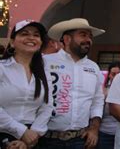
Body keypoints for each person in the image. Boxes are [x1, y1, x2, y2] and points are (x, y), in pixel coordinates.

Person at [40, 18, 105, 149]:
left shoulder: (94, 68)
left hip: (80, 140)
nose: (88, 40)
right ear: (67, 39)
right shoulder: (45, 62)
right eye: (83, 35)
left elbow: (97, 101)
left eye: (90, 36)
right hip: (46, 139)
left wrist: (94, 129)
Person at [0, 20, 53, 149]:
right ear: (12, 42)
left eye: (36, 35)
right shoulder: (2, 68)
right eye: (24, 34)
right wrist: (22, 131)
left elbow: (47, 106)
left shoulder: (44, 72)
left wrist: (32, 135)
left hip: (32, 139)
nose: (31, 37)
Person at [97, 61, 120, 149]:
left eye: (119, 74)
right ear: (109, 75)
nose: (116, 77)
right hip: (105, 134)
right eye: (113, 74)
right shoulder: (103, 91)